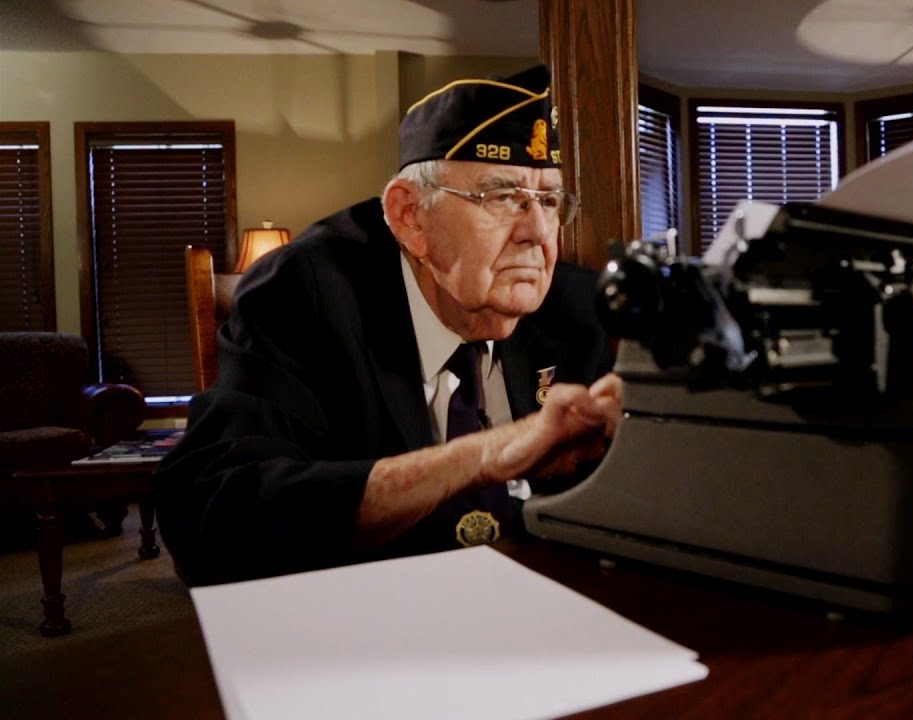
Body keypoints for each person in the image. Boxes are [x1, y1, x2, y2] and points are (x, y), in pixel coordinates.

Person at [155, 65, 621, 585]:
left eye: (550, 201)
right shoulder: (304, 294)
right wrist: (483, 456)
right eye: (502, 197)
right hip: (363, 607)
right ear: (411, 217)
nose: (537, 232)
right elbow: (208, 520)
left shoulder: (574, 309)